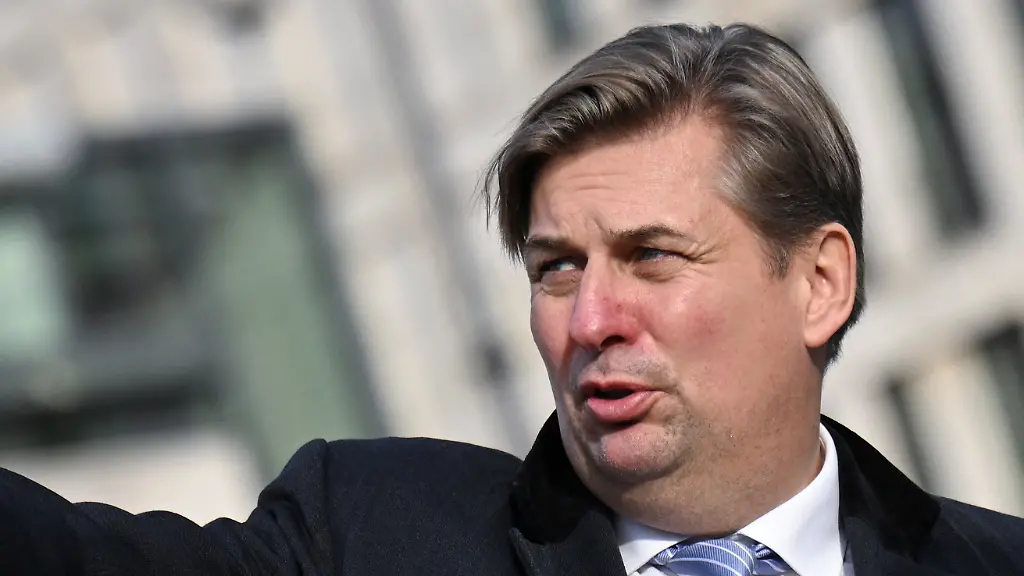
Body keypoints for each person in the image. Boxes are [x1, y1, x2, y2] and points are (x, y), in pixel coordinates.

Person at [1, 22, 1022, 576]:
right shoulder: (372, 535)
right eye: (556, 269)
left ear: (819, 282)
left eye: (652, 257)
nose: (592, 320)